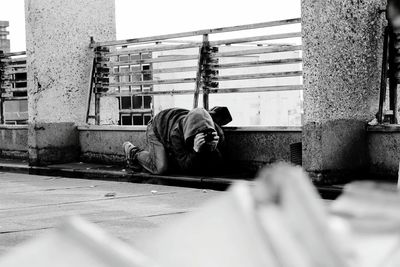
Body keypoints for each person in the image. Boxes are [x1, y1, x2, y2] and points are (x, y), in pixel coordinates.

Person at [123, 107, 231, 175]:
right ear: (190, 134)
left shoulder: (216, 133)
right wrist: (195, 150)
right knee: (160, 168)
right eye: (197, 135)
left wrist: (214, 148)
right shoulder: (177, 134)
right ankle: (133, 152)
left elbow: (220, 168)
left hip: (175, 119)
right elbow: (185, 168)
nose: (202, 137)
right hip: (157, 126)